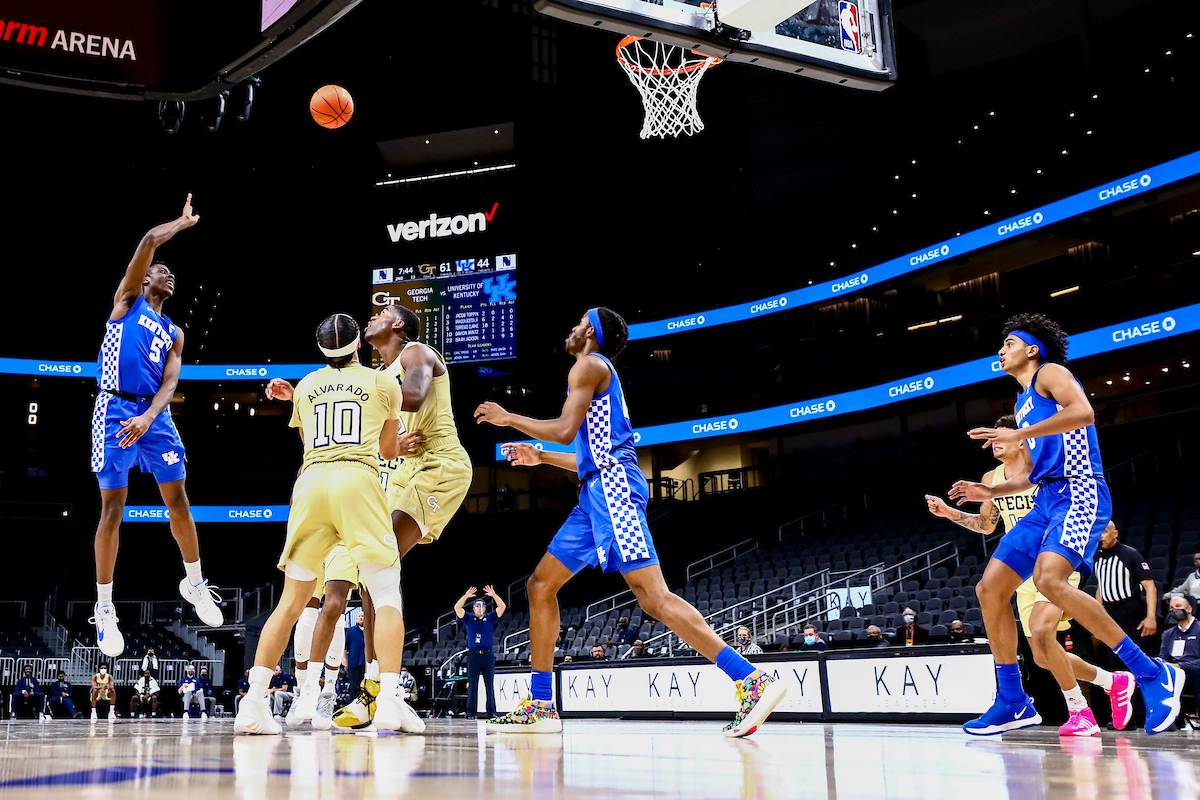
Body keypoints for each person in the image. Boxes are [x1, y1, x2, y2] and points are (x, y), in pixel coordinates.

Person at [476, 308, 786, 737]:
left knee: (653, 598)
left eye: (576, 321)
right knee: (540, 585)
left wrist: (510, 418)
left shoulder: (587, 364)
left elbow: (566, 430)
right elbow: (587, 454)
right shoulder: (594, 372)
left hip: (614, 487)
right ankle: (541, 706)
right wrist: (541, 456)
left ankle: (751, 679)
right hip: (595, 490)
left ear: (590, 332)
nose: (570, 328)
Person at [947, 313, 1184, 735]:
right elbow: (1032, 474)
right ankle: (1013, 700)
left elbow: (1084, 412)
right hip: (1047, 498)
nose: (1001, 351)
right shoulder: (1022, 404)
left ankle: (1150, 674)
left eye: (1009, 344)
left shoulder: (1050, 373)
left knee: (1050, 580)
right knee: (990, 589)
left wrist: (1021, 435)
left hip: (1080, 491)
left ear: (1032, 348)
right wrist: (989, 493)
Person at [269, 302, 471, 732]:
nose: (372, 315)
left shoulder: (415, 353)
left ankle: (381, 692)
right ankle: (377, 690)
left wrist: (371, 406)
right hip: (400, 472)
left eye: (382, 312)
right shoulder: (377, 377)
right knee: (373, 575)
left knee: (381, 570)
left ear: (397, 325)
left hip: (438, 466)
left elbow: (412, 395)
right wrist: (308, 393)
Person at [234, 314, 421, 736]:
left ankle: (253, 703)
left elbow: (310, 443)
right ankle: (389, 701)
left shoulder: (306, 386)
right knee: (387, 592)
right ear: (358, 345)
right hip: (357, 479)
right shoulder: (382, 382)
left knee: (290, 602)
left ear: (321, 351)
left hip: (312, 481)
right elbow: (389, 449)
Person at [929, 414, 1130, 735]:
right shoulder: (991, 477)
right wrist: (948, 511)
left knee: (1044, 632)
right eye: (992, 440)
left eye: (999, 437)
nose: (993, 444)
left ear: (1021, 438)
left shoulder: (1043, 465)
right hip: (1021, 569)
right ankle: (1113, 680)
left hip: (1057, 556)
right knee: (1040, 654)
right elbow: (986, 525)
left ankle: (1081, 711)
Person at [89, 194, 222, 658]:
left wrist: (150, 417)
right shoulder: (127, 302)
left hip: (154, 415)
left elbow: (170, 384)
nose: (169, 275)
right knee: (112, 508)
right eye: (163, 270)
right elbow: (148, 239)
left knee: (179, 498)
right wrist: (182, 225)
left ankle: (194, 581)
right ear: (145, 278)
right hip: (114, 409)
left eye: (171, 274)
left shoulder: (176, 332)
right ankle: (105, 607)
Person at [287, 544, 356, 729]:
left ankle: (328, 692)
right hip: (314, 537)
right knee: (306, 618)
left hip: (342, 541)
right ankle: (301, 690)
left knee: (338, 617)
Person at [454, 586, 506, 719]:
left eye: (482, 606)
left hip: (487, 655)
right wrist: (466, 596)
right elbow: (457, 608)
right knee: (472, 685)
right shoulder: (469, 618)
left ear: (485, 608)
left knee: (489, 684)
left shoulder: (490, 617)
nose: (480, 608)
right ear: (473, 608)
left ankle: (491, 712)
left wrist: (494, 595)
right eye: (477, 606)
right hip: (473, 655)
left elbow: (502, 606)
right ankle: (471, 712)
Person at [1160, 596, 1200, 721]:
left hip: (1194, 669)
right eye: (1171, 608)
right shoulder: (1168, 634)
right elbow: (1163, 657)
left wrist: (1181, 666)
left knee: (1195, 671)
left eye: (1178, 606)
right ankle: (1166, 717)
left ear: (1189, 609)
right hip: (1174, 670)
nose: (1174, 610)